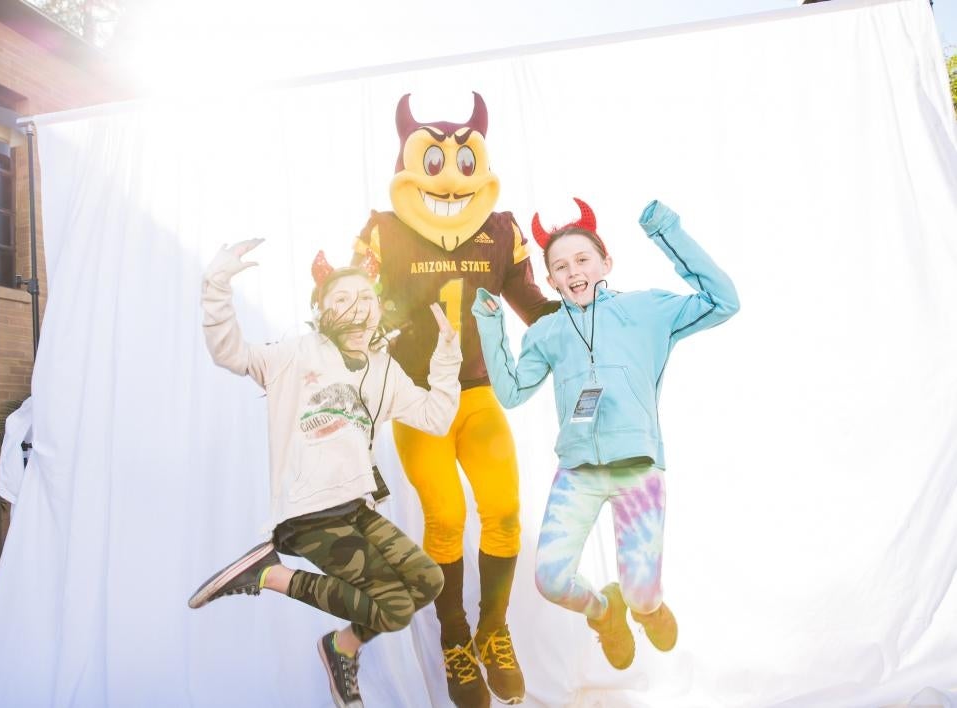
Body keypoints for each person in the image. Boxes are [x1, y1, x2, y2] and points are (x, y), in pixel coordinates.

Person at [188, 239, 461, 708]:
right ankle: (270, 574)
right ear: (320, 310)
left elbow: (435, 417)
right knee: (393, 608)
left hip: (357, 507)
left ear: (379, 309)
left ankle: (341, 649)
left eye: (366, 298)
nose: (356, 309)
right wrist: (217, 284)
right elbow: (230, 353)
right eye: (340, 299)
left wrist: (446, 357)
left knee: (427, 581)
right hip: (308, 512)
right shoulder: (293, 354)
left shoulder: (384, 370)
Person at [472, 199, 739, 670]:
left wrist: (665, 229)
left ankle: (645, 608)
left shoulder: (647, 310)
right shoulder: (548, 331)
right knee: (551, 580)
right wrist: (491, 324)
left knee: (642, 592)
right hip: (578, 473)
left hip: (638, 470)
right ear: (550, 280)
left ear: (605, 263)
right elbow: (511, 393)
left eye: (582, 260)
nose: (572, 272)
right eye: (559, 266)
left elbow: (724, 301)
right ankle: (604, 612)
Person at [353, 93, 556, 707]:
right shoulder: (383, 231)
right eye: (432, 161)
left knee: (505, 512)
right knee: (445, 518)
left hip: (480, 395)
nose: (447, 176)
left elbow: (531, 302)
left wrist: (589, 315)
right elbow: (350, 306)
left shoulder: (500, 229)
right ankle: (455, 638)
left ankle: (494, 628)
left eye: (462, 160)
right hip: (417, 402)